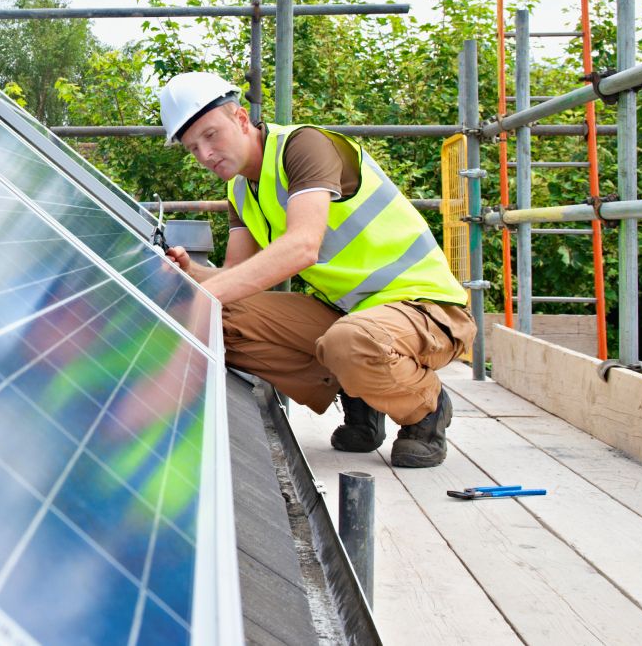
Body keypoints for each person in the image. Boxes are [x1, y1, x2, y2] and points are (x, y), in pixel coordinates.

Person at [157, 72, 476, 467]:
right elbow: (235, 276)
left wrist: (206, 296)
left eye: (211, 135)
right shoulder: (240, 190)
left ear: (240, 119)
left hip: (423, 308)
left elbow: (302, 247)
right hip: (350, 316)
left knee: (351, 341)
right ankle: (360, 393)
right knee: (219, 321)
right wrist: (191, 275)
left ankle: (426, 410)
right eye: (192, 149)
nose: (205, 155)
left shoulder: (303, 146)